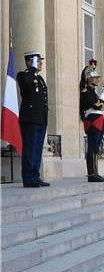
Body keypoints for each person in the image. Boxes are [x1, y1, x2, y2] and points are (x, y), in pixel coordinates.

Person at [17, 51, 50, 187]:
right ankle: (28, 178)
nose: (41, 63)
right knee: (30, 149)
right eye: (38, 61)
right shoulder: (23, 75)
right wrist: (32, 68)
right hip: (30, 119)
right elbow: (25, 82)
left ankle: (35, 175)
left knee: (37, 149)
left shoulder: (40, 78)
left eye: (40, 61)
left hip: (40, 118)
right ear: (29, 62)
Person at [79, 60, 104, 183]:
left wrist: (101, 96)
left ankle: (95, 172)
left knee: (95, 147)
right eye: (95, 77)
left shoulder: (92, 91)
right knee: (92, 147)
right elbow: (97, 106)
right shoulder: (86, 91)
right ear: (88, 78)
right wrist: (103, 96)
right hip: (92, 121)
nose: (97, 79)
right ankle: (92, 173)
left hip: (96, 120)